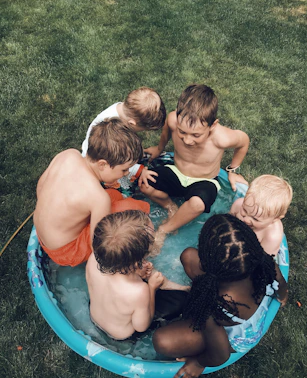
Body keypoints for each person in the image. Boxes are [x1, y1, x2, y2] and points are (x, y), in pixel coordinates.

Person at [152, 214, 288, 378]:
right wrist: (282, 296)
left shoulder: (218, 305)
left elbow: (220, 354)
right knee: (188, 255)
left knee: (162, 340)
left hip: (234, 337)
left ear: (207, 263)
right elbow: (281, 283)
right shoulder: (264, 262)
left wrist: (199, 362)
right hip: (241, 301)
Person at [140, 84, 250, 252]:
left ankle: (165, 229)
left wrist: (233, 171)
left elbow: (244, 141)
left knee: (198, 204)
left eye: (196, 135)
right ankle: (170, 206)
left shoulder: (222, 138)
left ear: (212, 125)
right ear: (177, 116)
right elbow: (166, 131)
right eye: (182, 132)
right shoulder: (172, 120)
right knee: (145, 182)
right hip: (177, 172)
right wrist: (159, 148)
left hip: (204, 181)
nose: (187, 140)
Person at [34, 118, 149, 267]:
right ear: (102, 164)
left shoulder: (69, 154)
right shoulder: (98, 198)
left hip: (43, 235)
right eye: (124, 169)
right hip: (67, 251)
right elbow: (99, 246)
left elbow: (41, 188)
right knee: (134, 210)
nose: (126, 174)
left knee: (114, 196)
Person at [86, 210, 190, 340]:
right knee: (181, 299)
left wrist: (135, 271)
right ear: (136, 259)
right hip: (122, 334)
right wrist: (151, 288)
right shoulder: (139, 291)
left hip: (95, 314)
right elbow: (141, 326)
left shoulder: (93, 259)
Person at [81, 87, 166, 188]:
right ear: (131, 123)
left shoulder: (123, 109)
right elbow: (117, 158)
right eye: (143, 129)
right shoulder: (111, 133)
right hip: (101, 164)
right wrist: (139, 170)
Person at [230, 175, 293, 256]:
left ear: (275, 219)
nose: (246, 219)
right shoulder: (238, 205)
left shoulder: (272, 237)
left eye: (255, 219)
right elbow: (226, 223)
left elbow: (263, 261)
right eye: (245, 210)